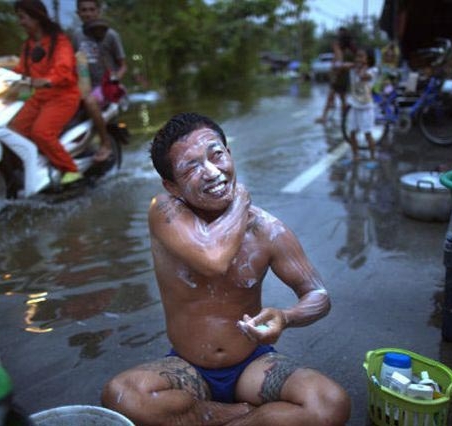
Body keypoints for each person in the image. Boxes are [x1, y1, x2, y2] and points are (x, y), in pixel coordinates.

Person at [101, 112, 351, 425]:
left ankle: (222, 420)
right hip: (188, 367)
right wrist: (240, 200)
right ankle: (224, 414)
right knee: (121, 395)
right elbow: (213, 257)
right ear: (172, 186)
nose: (211, 171)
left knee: (330, 403)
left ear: (229, 154)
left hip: (251, 365)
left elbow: (317, 294)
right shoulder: (165, 211)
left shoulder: (266, 229)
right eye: (191, 167)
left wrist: (287, 317)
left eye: (216, 154)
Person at [11, 0, 82, 184]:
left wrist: (48, 80)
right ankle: (41, 163)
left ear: (36, 18)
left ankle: (70, 169)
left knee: (41, 132)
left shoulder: (59, 41)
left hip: (63, 96)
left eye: (23, 17)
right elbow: (21, 70)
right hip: (40, 97)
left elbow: (64, 68)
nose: (20, 22)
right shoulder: (28, 45)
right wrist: (6, 77)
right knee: (15, 130)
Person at [73, 0, 128, 162]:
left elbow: (123, 65)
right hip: (84, 86)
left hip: (105, 87)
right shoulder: (77, 35)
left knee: (89, 101)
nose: (88, 13)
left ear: (98, 12)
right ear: (79, 13)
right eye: (84, 10)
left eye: (91, 9)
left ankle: (105, 143)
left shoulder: (110, 35)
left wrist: (114, 79)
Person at [316, 27, 357, 124]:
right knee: (339, 97)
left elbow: (339, 64)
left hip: (340, 76)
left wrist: (337, 70)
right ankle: (342, 117)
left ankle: (326, 117)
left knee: (334, 97)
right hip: (341, 76)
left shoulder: (343, 51)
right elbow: (336, 63)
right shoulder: (345, 50)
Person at [346, 48, 377, 161]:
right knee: (352, 133)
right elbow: (340, 66)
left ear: (368, 59)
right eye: (357, 56)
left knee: (367, 134)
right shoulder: (353, 70)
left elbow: (364, 77)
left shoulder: (373, 71)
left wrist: (359, 67)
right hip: (354, 106)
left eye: (361, 56)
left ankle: (373, 157)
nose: (358, 59)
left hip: (366, 107)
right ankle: (355, 155)